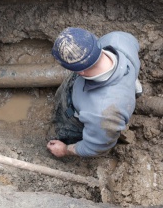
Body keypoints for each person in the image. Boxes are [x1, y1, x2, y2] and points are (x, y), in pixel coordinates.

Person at [46, 27, 142, 157]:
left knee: (67, 131)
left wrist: (65, 149)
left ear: (80, 72)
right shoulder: (118, 38)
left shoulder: (103, 112)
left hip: (78, 118)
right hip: (120, 84)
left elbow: (95, 147)